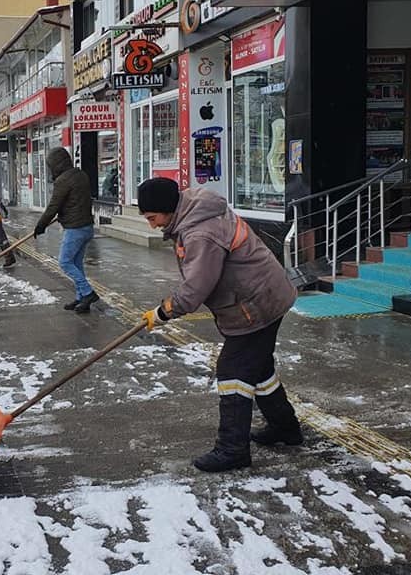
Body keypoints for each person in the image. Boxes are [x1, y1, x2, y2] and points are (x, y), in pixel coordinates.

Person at [137, 177, 301, 473]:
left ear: (166, 208)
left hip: (257, 303)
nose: (152, 225)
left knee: (233, 371)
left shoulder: (200, 232)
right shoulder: (194, 213)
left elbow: (197, 286)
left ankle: (233, 449)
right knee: (258, 369)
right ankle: (285, 428)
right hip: (262, 295)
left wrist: (164, 311)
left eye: (152, 217)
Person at [33, 147, 97, 313]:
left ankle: (88, 292)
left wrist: (40, 226)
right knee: (76, 263)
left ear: (56, 165)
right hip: (86, 226)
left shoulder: (63, 180)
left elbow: (54, 206)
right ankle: (81, 298)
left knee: (65, 262)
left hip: (75, 228)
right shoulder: (80, 174)